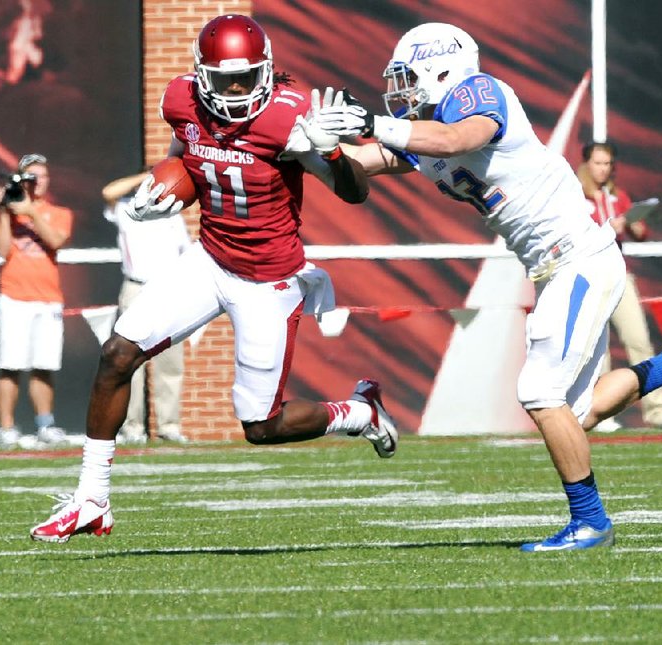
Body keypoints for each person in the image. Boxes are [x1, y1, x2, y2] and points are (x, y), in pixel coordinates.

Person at [307, 22, 662, 551]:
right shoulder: (420, 128)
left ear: (441, 67)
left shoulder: (477, 94)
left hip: (579, 257)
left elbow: (456, 138)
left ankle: (591, 522)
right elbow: (359, 165)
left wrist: (373, 123)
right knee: (575, 416)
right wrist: (307, 146)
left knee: (538, 392)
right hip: (555, 267)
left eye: (406, 76)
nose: (400, 90)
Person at [29, 14, 397, 543]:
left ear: (266, 71)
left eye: (247, 77)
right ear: (202, 75)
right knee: (117, 353)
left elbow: (355, 193)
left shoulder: (288, 121)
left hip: (268, 279)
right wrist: (166, 190)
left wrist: (332, 150)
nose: (237, 89)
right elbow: (187, 155)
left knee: (261, 426)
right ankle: (92, 498)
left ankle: (359, 412)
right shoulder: (182, 101)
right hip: (210, 257)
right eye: (226, 80)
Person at [577, 141, 662, 432]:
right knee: (599, 350)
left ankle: (657, 410)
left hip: (620, 275)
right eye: (598, 163)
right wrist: (606, 229)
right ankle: (602, 413)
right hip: (591, 277)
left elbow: (639, 233)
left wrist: (637, 227)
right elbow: (575, 235)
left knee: (639, 341)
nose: (603, 170)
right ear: (587, 164)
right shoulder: (574, 195)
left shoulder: (618, 196)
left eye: (607, 164)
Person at [102, 171, 192, 444]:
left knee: (170, 362)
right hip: (136, 287)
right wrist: (148, 176)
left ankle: (169, 426)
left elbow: (185, 254)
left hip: (167, 288)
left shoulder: (173, 216)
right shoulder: (126, 209)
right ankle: (132, 428)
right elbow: (109, 191)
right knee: (129, 361)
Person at [0, 152, 73, 449]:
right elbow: (2, 251)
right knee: (10, 365)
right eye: (31, 176)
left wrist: (33, 212)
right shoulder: (10, 214)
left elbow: (56, 240)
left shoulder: (59, 212)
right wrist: (3, 211)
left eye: (41, 175)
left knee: (43, 365)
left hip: (48, 298)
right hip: (14, 296)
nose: (36, 181)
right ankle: (7, 427)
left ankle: (45, 424)